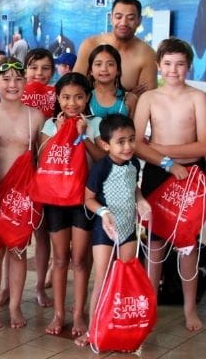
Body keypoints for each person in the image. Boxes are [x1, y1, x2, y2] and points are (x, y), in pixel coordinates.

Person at [133, 38, 206, 332]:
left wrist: (160, 149)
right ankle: (150, 303)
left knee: (188, 244)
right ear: (158, 66)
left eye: (180, 64)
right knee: (154, 244)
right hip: (157, 173)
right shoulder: (149, 98)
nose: (173, 70)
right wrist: (166, 161)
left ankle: (190, 308)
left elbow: (204, 146)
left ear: (189, 66)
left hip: (190, 176)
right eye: (167, 64)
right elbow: (137, 144)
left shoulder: (198, 98)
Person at [0, 58, 45, 330]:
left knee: (18, 252)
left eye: (18, 79)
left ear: (26, 82)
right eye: (6, 79)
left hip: (23, 196)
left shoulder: (36, 117)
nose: (12, 84)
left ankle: (15, 305)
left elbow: (42, 160)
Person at [76, 114, 152, 346]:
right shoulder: (101, 168)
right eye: (121, 141)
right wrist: (104, 213)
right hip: (106, 230)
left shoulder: (135, 164)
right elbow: (88, 199)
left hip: (129, 228)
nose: (128, 146)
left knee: (125, 279)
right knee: (102, 280)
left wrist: (141, 200)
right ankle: (93, 330)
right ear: (106, 144)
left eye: (131, 139)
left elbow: (134, 188)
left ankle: (121, 327)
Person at [39, 72, 106, 336]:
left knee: (79, 259)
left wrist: (84, 136)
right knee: (59, 259)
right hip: (56, 199)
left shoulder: (97, 123)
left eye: (78, 97)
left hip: (85, 200)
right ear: (57, 98)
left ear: (88, 97)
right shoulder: (49, 125)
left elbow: (103, 160)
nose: (72, 103)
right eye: (66, 97)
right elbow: (41, 158)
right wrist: (58, 131)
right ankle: (58, 314)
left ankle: (77, 314)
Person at [74, 0, 157, 96]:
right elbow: (74, 88)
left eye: (130, 18)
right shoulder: (90, 45)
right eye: (118, 17)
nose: (123, 23)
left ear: (139, 21)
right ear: (111, 18)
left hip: (129, 112)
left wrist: (128, 100)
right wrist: (127, 96)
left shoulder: (147, 54)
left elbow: (146, 99)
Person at [86, 44, 137, 117]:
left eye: (110, 64)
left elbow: (134, 128)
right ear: (91, 71)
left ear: (118, 70)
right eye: (98, 64)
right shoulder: (85, 98)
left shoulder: (130, 99)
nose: (104, 69)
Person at [22, 48, 56, 118]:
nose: (39, 73)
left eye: (45, 68)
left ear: (52, 72)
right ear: (25, 72)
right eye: (34, 68)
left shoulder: (58, 95)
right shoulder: (16, 94)